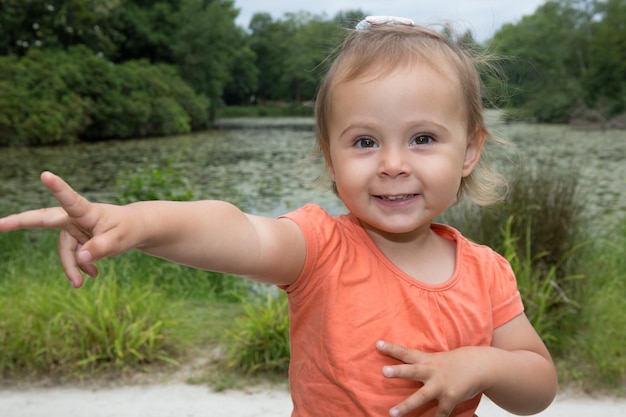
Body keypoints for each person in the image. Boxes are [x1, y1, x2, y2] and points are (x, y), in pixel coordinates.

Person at [0, 16, 557, 417]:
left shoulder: (486, 273)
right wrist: (136, 222)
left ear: (469, 149)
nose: (392, 165)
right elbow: (233, 230)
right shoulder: (318, 247)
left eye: (423, 138)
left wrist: (478, 365)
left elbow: (538, 386)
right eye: (364, 141)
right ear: (328, 154)